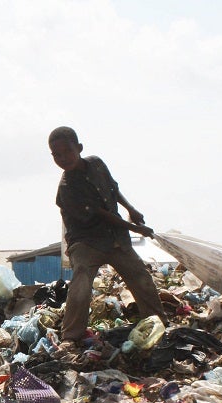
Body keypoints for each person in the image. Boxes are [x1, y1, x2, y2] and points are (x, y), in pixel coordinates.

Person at [48, 126, 167, 348]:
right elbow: (100, 214)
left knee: (140, 276)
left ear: (80, 148)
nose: (63, 158)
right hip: (85, 240)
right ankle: (71, 336)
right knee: (81, 280)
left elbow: (113, 189)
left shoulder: (97, 164)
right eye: (57, 155)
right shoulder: (67, 188)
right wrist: (135, 229)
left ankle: (158, 323)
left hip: (114, 236)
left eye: (68, 151)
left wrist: (131, 209)